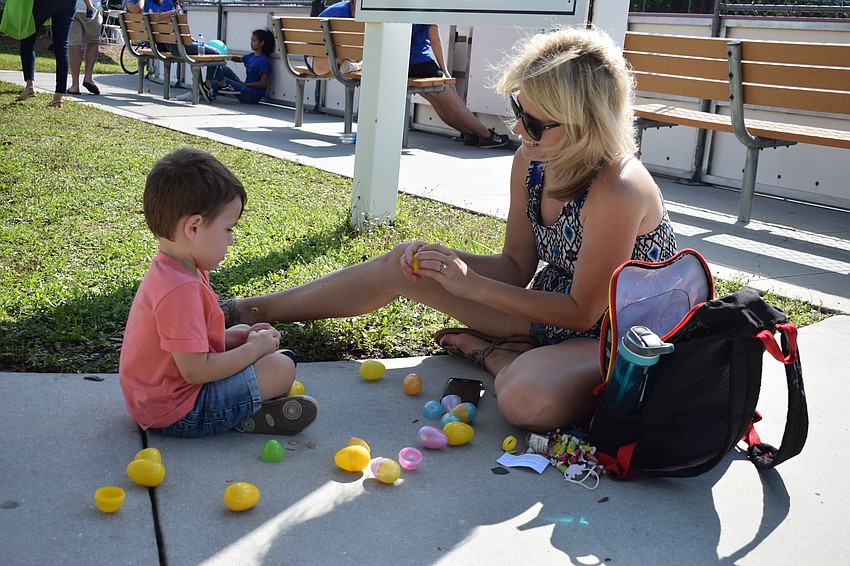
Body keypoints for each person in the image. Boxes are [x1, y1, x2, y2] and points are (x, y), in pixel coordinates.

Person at [220, 27, 678, 433]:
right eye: (518, 108)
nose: (518, 128)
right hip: (552, 313)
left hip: (622, 336)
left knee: (524, 399)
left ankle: (493, 354)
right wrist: (449, 263)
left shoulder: (618, 187)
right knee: (408, 262)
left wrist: (473, 287)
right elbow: (518, 266)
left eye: (534, 122)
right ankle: (243, 311)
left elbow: (582, 312)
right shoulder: (533, 159)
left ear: (587, 123)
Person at [119, 148, 318, 438]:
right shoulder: (180, 290)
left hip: (160, 400)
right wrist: (254, 350)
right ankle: (241, 415)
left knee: (271, 355)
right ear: (194, 227)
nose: (232, 240)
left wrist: (233, 338)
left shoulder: (175, 269)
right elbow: (195, 371)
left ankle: (249, 408)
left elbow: (181, 349)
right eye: (227, 229)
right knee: (280, 367)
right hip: (177, 412)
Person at [316, 0, 510, 148]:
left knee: (438, 103)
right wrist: (444, 70)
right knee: (451, 102)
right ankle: (486, 135)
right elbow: (435, 42)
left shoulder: (388, 5)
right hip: (421, 64)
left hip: (396, 64)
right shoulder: (423, 5)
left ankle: (468, 133)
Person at [15, 0, 76, 108]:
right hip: (68, 3)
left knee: (27, 39)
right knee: (62, 47)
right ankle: (58, 98)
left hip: (44, 3)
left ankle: (30, 85)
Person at [202, 29, 275, 104]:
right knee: (223, 69)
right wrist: (228, 57)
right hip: (245, 87)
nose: (251, 43)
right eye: (251, 40)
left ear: (262, 43)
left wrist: (243, 84)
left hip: (251, 95)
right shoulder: (251, 56)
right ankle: (209, 88)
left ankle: (202, 90)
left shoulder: (263, 61)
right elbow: (239, 59)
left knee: (224, 80)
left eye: (254, 41)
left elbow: (263, 83)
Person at [67, 0, 102, 95]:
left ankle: (75, 85)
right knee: (92, 42)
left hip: (74, 7)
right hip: (94, 9)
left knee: (74, 44)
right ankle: (88, 77)